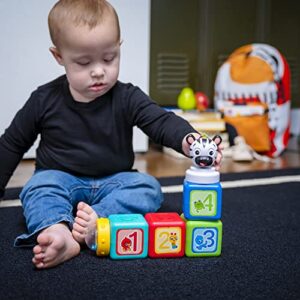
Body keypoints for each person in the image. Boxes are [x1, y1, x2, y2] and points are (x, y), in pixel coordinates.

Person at [0, 0, 222, 269]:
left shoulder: (127, 96)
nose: (98, 71)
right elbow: (12, 144)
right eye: (83, 62)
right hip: (59, 177)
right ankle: (58, 230)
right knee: (38, 188)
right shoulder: (43, 99)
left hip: (113, 183)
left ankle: (97, 223)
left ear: (119, 47)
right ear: (59, 56)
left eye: (109, 58)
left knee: (148, 188)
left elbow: (160, 121)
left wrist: (190, 141)